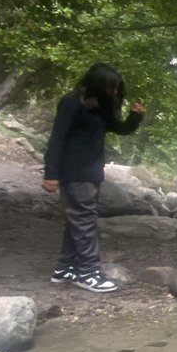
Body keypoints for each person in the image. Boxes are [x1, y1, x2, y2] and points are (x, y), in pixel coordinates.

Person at [42, 63, 145, 293]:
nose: (114, 93)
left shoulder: (98, 107)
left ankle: (65, 268)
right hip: (75, 172)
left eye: (117, 89)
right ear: (97, 84)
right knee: (85, 222)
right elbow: (57, 138)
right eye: (111, 88)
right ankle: (88, 273)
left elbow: (120, 129)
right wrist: (51, 173)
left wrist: (135, 118)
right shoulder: (72, 103)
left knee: (76, 221)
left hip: (91, 172)